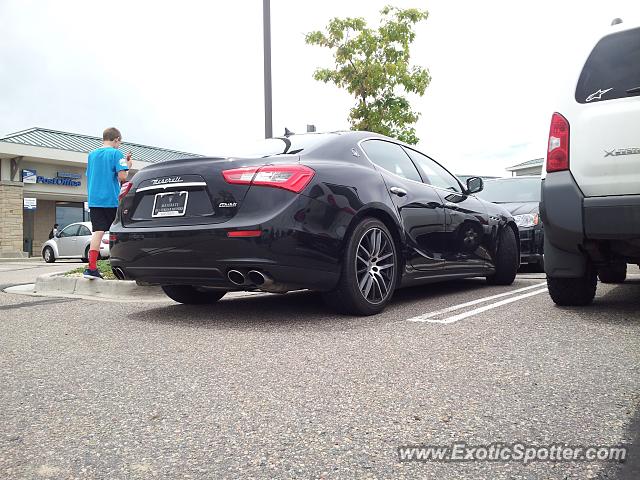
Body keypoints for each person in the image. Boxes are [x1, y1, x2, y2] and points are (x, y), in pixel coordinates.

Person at [83, 127, 132, 279]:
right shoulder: (116, 153)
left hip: (94, 199)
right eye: (119, 142)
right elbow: (122, 177)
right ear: (116, 139)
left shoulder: (92, 155)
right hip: (111, 199)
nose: (119, 146)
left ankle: (91, 268)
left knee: (98, 232)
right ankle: (123, 265)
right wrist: (128, 166)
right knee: (119, 231)